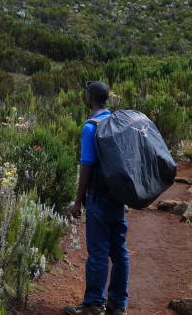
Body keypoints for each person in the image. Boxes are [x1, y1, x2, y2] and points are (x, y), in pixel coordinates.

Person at [65, 80, 128, 315]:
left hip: (99, 197)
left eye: (86, 93)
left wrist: (78, 201)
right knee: (119, 251)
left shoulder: (91, 126)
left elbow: (87, 166)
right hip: (118, 196)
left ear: (90, 97)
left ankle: (93, 304)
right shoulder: (116, 122)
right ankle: (118, 304)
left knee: (98, 252)